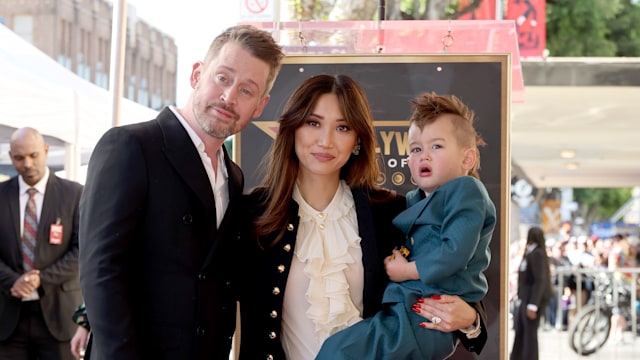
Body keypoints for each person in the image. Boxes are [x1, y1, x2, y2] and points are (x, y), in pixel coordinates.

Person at [238, 77, 488, 360]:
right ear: (292, 128)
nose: (325, 141)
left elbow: (449, 273)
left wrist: (470, 321)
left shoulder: (390, 212)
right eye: (313, 123)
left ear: (358, 140)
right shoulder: (252, 213)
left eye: (342, 127)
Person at [78, 25, 284, 360]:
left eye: (247, 91)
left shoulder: (234, 177)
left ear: (260, 106)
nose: (229, 96)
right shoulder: (131, 146)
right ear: (196, 74)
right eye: (222, 78)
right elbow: (101, 271)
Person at [316, 91, 496, 359]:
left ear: (467, 159)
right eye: (415, 149)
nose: (424, 156)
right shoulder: (413, 200)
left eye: (437, 146)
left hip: (423, 318)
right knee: (338, 349)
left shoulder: (466, 190)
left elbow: (455, 252)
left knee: (337, 352)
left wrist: (407, 270)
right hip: (404, 313)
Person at [0, 127, 83, 360]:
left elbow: (82, 250)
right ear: (10, 156)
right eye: (19, 157)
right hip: (8, 318)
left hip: (59, 315)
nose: (27, 163)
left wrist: (40, 278)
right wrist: (13, 281)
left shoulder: (74, 194)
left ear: (45, 151)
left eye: (33, 155)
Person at [510, 226, 552, 360]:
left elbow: (540, 280)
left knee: (530, 334)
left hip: (532, 300)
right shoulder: (529, 252)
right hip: (525, 298)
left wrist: (533, 304)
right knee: (521, 331)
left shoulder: (537, 253)